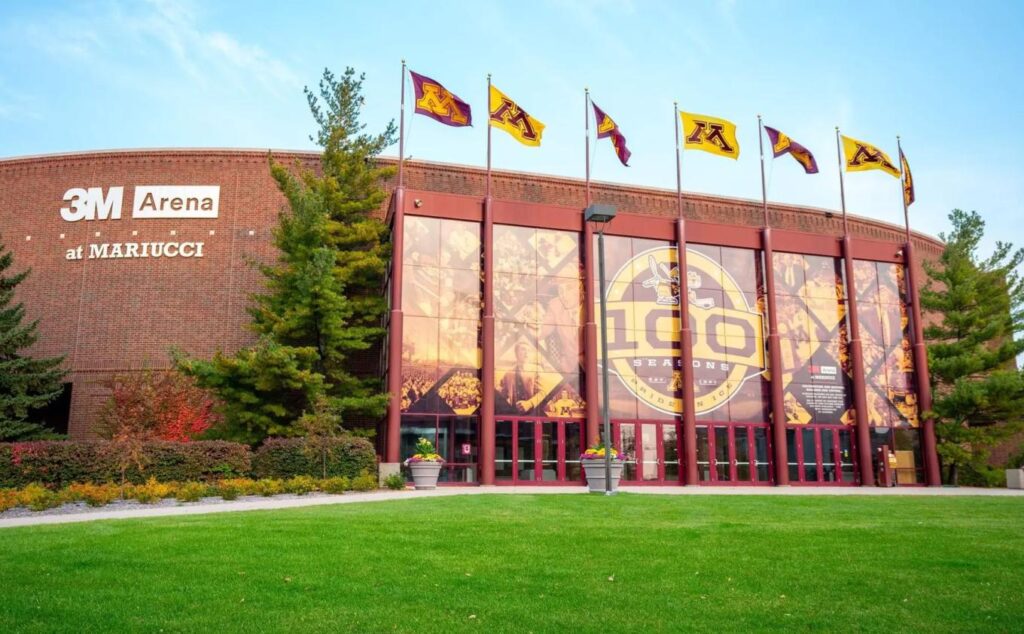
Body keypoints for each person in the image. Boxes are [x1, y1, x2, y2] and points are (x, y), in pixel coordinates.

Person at [499, 341, 547, 415]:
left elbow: (542, 392)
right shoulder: (508, 373)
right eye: (523, 349)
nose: (526, 353)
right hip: (515, 414)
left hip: (533, 412)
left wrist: (529, 403)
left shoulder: (537, 369)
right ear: (516, 353)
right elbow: (503, 394)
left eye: (528, 350)